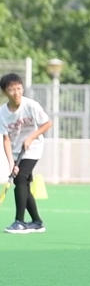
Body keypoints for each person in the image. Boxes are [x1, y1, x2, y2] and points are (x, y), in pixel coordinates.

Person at [1, 73, 50, 234]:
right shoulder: (2, 113)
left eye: (19, 88)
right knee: (23, 184)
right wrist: (11, 165)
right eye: (11, 89)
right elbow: (6, 140)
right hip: (16, 151)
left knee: (21, 179)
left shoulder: (31, 105)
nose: (16, 92)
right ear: (5, 92)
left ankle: (19, 221)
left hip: (33, 147)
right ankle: (37, 222)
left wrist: (31, 137)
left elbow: (47, 123)